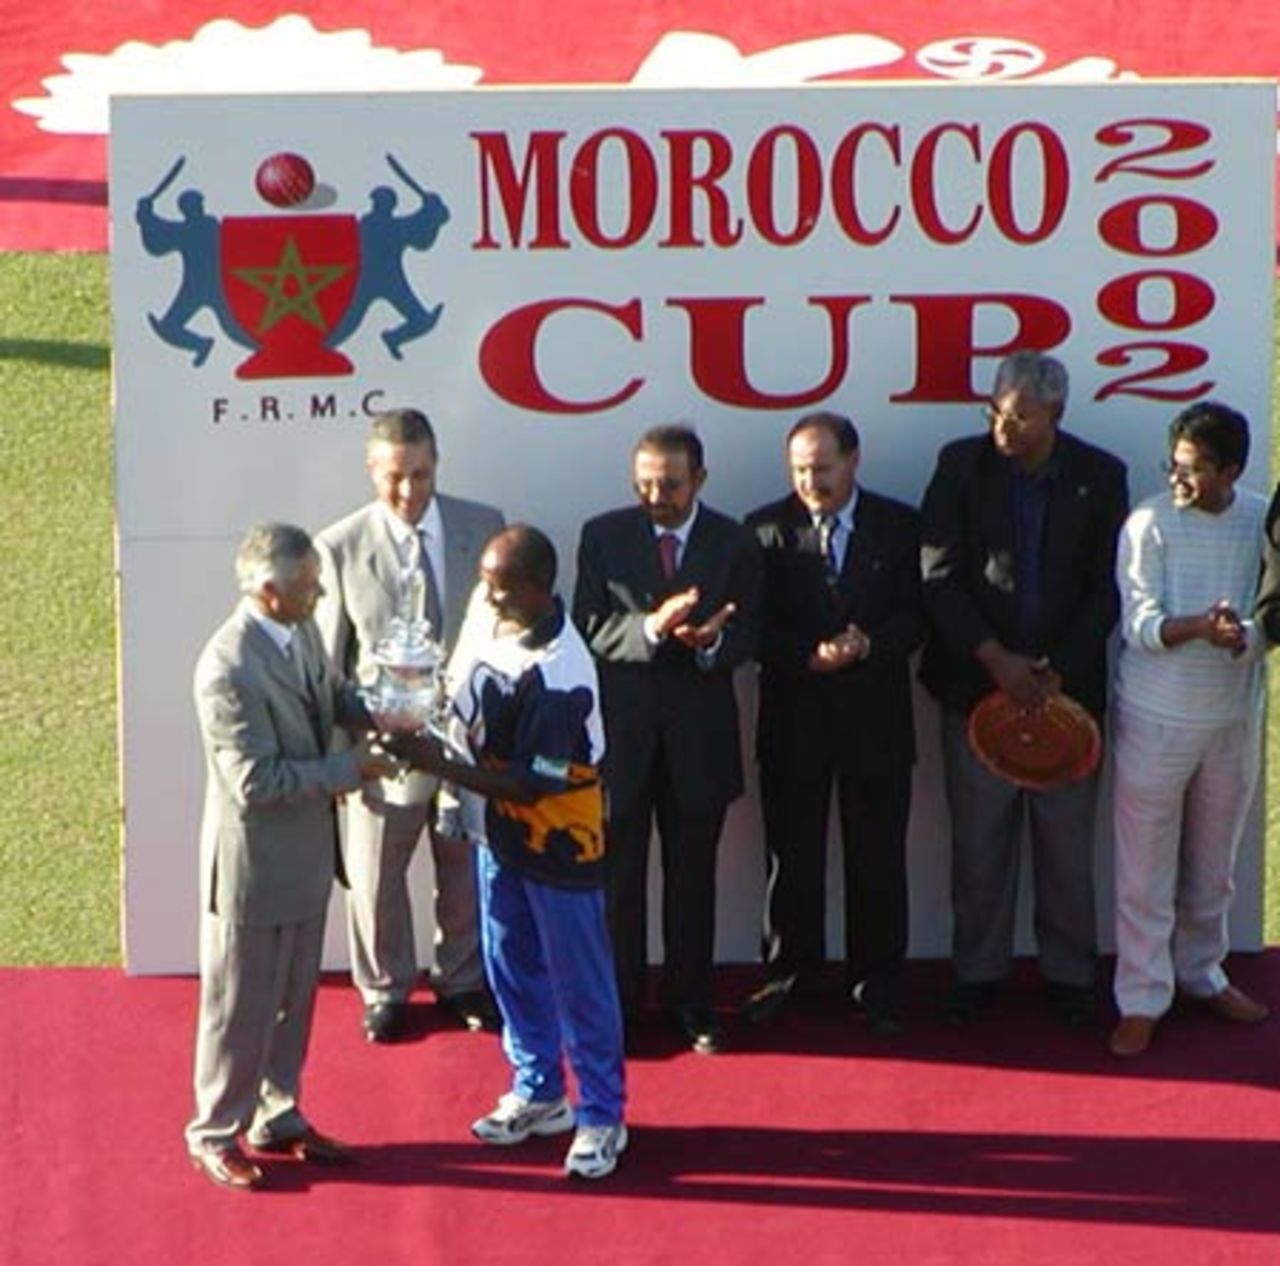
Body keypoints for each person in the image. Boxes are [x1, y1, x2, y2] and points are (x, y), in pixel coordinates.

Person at [394, 525, 627, 1180]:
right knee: (509, 965)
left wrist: (439, 764)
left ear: (536, 588)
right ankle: (540, 1091)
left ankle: (603, 1115)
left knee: (581, 983)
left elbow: (534, 781)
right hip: (502, 836)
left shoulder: (562, 673)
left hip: (560, 840)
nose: (487, 598)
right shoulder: (490, 619)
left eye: (499, 589)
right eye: (486, 585)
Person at [919, 350, 1129, 1027]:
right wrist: (995, 660)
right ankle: (978, 970)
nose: (1001, 429)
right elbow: (939, 575)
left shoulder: (1101, 476)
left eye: (1017, 418)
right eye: (995, 413)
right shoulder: (960, 466)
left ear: (1055, 416)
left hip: (1067, 695)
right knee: (979, 843)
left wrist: (1054, 670)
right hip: (977, 688)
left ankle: (1069, 973)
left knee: (1067, 845)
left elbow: (1108, 587)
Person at [186, 522, 394, 1189]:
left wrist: (388, 709)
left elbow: (333, 697)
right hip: (253, 868)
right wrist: (350, 769)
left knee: (293, 999)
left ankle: (277, 1113)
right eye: (308, 585)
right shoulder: (227, 667)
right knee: (238, 1007)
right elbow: (254, 781)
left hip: (304, 858)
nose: (320, 592)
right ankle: (215, 1131)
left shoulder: (300, 629)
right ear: (269, 591)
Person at [315, 407, 504, 1042]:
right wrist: (342, 757)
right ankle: (385, 989)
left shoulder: (483, 528)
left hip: (460, 744)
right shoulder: (338, 546)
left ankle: (462, 981)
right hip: (380, 747)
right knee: (375, 875)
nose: (408, 491)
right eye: (394, 476)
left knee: (462, 865)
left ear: (436, 464)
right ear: (372, 470)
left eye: (420, 474)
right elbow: (328, 663)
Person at [572, 425, 762, 1053]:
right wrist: (650, 629)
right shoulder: (603, 536)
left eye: (671, 483)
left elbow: (751, 628)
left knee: (693, 881)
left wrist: (713, 643)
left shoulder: (733, 541)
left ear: (699, 479)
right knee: (618, 883)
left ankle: (693, 1003)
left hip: (697, 741)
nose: (658, 494)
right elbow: (590, 628)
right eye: (646, 482)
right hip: (623, 742)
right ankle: (621, 1005)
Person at [742, 413, 921, 1035]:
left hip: (876, 722)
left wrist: (869, 644)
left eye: (822, 467)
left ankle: (878, 983)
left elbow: (919, 617)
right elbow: (752, 626)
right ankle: (790, 974)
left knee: (877, 859)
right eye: (799, 470)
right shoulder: (764, 529)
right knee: (791, 860)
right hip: (795, 720)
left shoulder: (899, 526)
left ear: (853, 460)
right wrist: (805, 655)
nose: (810, 481)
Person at [1109, 401, 1270, 1057]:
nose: (1178, 481)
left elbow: (1272, 611)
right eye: (1174, 466)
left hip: (1232, 718)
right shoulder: (1148, 522)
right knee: (1143, 871)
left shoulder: (1262, 520)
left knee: (1213, 868)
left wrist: (1245, 636)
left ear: (1230, 470)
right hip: (1154, 720)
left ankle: (1202, 973)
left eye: (1194, 470)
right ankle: (1141, 997)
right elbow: (1140, 624)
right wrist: (1200, 627)